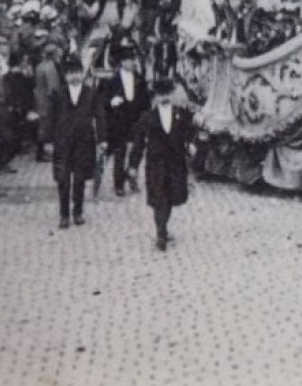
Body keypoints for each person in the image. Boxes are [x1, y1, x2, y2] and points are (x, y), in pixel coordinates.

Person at [128, 79, 195, 252]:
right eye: (161, 94)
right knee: (159, 198)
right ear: (156, 96)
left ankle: (163, 227)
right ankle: (161, 233)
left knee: (171, 197)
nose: (164, 98)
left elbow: (189, 133)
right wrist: (133, 165)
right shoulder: (147, 117)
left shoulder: (181, 114)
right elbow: (139, 143)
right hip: (156, 163)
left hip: (175, 162)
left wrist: (191, 144)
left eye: (167, 94)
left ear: (172, 95)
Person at [50, 56, 103, 230]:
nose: (74, 76)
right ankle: (64, 215)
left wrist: (102, 140)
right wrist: (49, 141)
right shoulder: (58, 93)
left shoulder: (91, 93)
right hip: (63, 143)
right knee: (63, 179)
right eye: (71, 73)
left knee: (80, 178)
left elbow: (100, 117)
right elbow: (51, 119)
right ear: (65, 76)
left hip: (84, 143)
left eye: (77, 73)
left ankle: (78, 212)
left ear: (83, 74)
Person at [101, 49, 151, 196]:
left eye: (133, 60)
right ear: (122, 62)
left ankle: (132, 173)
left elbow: (146, 100)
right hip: (119, 119)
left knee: (137, 150)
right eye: (129, 60)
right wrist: (112, 101)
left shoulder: (139, 79)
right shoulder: (112, 80)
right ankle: (119, 184)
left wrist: (145, 117)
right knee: (120, 152)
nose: (132, 63)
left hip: (136, 119)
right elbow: (103, 100)